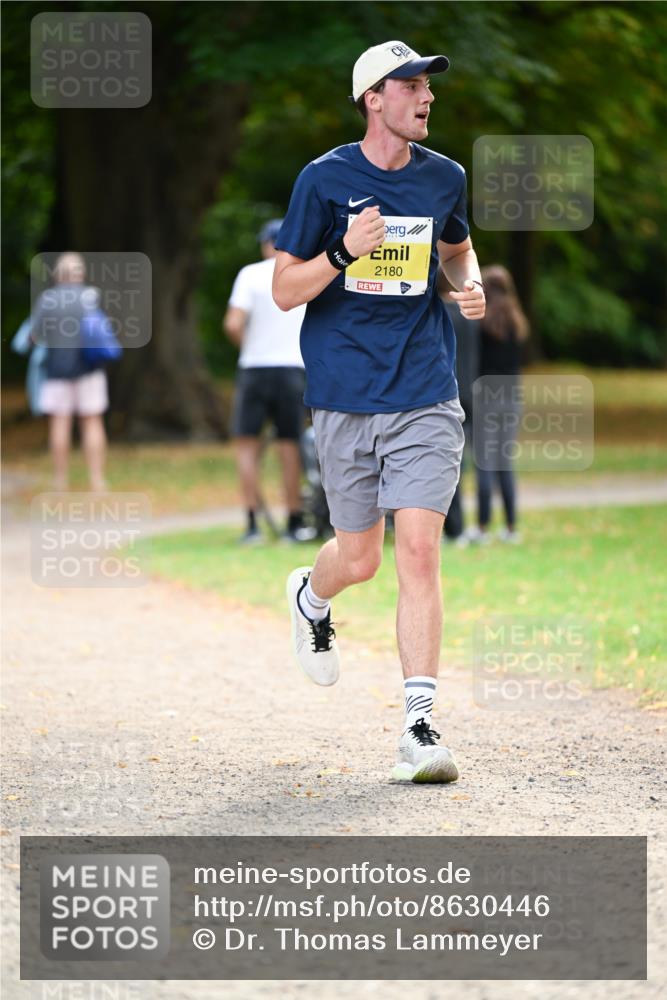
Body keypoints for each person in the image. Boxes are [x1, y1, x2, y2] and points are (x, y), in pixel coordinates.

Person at [273, 40, 485, 783]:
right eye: (411, 86)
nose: (427, 97)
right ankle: (311, 594)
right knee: (359, 559)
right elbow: (284, 291)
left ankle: (419, 728)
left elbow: (457, 251)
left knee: (419, 551)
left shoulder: (444, 177)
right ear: (374, 98)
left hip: (424, 390)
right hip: (343, 393)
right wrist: (341, 253)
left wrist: (467, 284)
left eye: (428, 86)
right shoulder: (323, 179)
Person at [224, 219, 311, 543]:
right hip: (292, 368)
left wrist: (249, 347)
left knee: (247, 445)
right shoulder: (303, 273)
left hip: (255, 368)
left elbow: (233, 324)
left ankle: (251, 524)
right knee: (290, 446)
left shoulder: (250, 274)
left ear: (265, 244)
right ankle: (293, 522)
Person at [31, 252, 110, 492]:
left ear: (58, 275)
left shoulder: (47, 300)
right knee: (92, 422)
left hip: (57, 371)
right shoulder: (90, 297)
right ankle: (97, 480)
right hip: (89, 370)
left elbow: (35, 336)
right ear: (81, 273)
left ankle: (60, 481)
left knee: (60, 423)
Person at [472, 265, 529, 544]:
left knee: (485, 461)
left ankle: (482, 527)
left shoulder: (481, 322)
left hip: (487, 397)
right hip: (512, 397)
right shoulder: (518, 322)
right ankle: (510, 527)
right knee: (504, 462)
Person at [439, 273, 480, 545]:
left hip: (447, 392)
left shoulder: (439, 315)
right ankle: (459, 525)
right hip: (469, 390)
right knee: (459, 462)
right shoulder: (468, 315)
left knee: (444, 463)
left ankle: (453, 526)